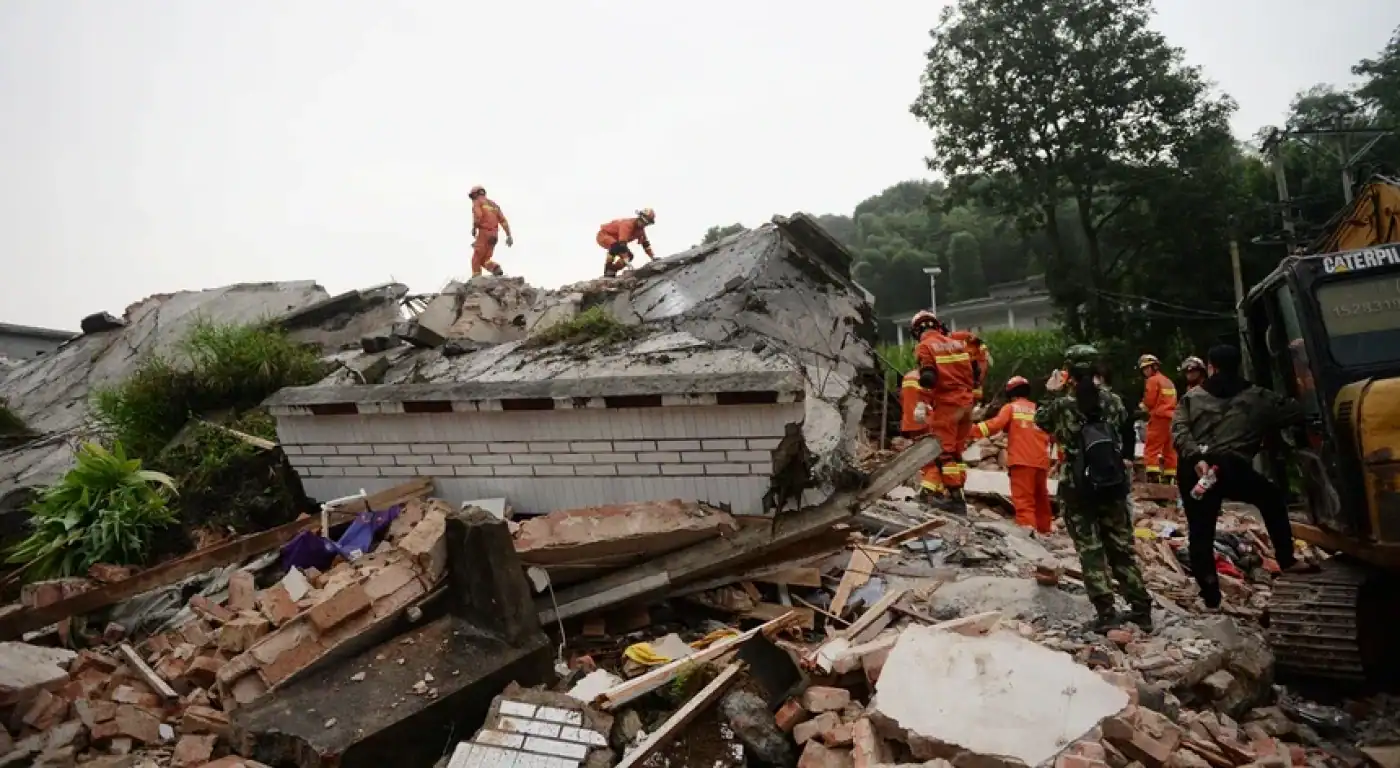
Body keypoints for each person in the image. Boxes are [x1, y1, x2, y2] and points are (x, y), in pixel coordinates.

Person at [1171, 344, 1310, 610]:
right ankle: (1287, 558)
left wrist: (1197, 458)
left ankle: (1211, 596)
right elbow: (1295, 411)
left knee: (1201, 533)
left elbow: (1179, 433)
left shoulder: (1192, 398)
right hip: (1233, 467)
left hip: (1196, 470)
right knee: (1270, 498)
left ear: (1210, 366)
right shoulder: (1258, 396)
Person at [1036, 344, 1153, 631]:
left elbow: (1041, 419)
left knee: (1091, 551)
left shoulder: (1063, 405)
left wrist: (1052, 391)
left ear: (1069, 372)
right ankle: (1141, 609)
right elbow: (1124, 420)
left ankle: (1106, 613)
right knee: (1121, 548)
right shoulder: (1112, 401)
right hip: (1112, 483)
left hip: (1078, 486)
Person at [912, 310, 977, 512]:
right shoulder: (958, 344)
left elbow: (929, 377)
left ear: (916, 331)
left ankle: (956, 500)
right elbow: (975, 373)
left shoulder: (924, 346)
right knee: (956, 453)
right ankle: (959, 494)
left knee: (944, 453)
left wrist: (922, 400)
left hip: (948, 405)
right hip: (967, 403)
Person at [974, 376, 1053, 533]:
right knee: (1041, 500)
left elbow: (994, 426)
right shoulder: (1038, 409)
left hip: (1021, 461)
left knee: (1024, 501)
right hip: (1041, 462)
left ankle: (1028, 535)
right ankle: (1045, 530)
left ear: (1010, 393)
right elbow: (1052, 435)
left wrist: (971, 431)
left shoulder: (1011, 408)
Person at [899, 362, 941, 494]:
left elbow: (902, 399)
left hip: (910, 423)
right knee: (936, 460)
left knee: (924, 458)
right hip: (925, 422)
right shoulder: (928, 380)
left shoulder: (908, 377)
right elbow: (935, 401)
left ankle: (932, 489)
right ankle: (929, 491)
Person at [1138, 354, 1178, 484]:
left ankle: (1153, 476)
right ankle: (1170, 476)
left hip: (1158, 418)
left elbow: (1150, 401)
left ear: (1152, 367)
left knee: (1151, 448)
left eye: (1145, 369)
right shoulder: (1168, 381)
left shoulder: (1152, 381)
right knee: (1169, 449)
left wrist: (1142, 406)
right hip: (1171, 418)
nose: (1144, 372)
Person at [468, 186, 514, 277]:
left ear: (475, 194)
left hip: (484, 233)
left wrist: (474, 228)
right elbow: (503, 221)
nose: (473, 199)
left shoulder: (478, 202)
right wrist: (508, 235)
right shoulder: (494, 205)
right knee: (485, 259)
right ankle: (495, 268)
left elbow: (478, 216)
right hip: (494, 235)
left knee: (476, 258)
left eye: (473, 197)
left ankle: (476, 280)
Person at [598, 209, 657, 277]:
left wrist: (653, 257)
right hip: (604, 235)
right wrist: (627, 261)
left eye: (646, 223)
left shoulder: (640, 231)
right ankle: (608, 268)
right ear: (640, 217)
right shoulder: (627, 225)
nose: (644, 224)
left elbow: (645, 244)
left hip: (617, 241)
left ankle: (613, 269)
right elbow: (622, 244)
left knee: (630, 256)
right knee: (616, 247)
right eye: (643, 221)